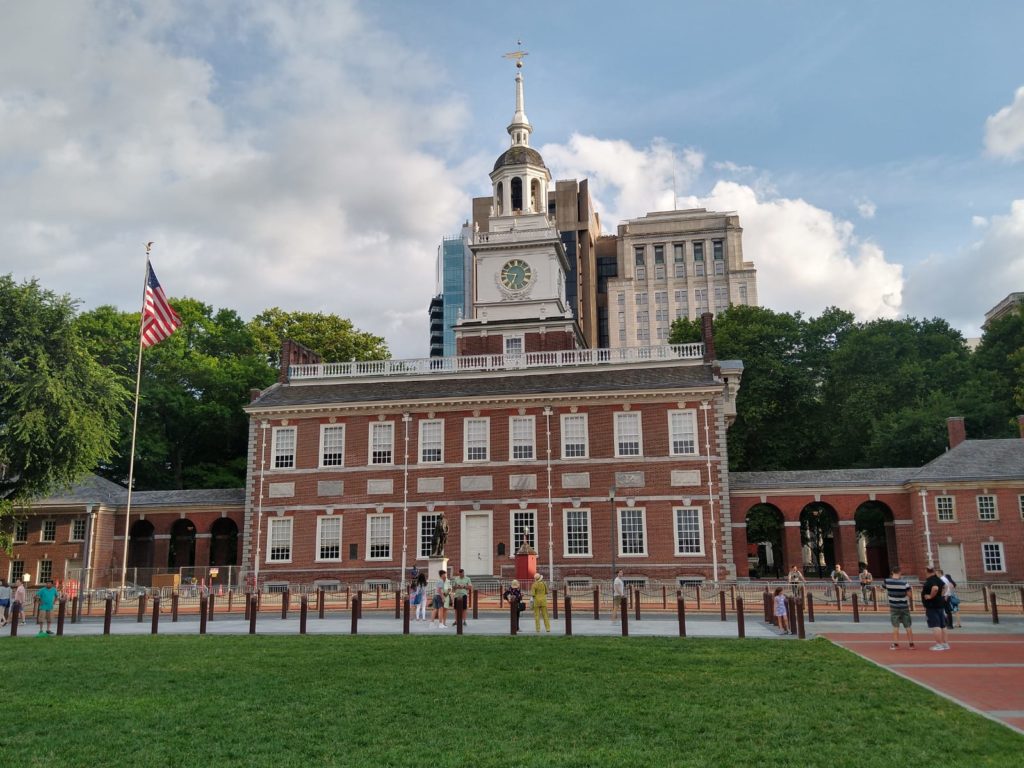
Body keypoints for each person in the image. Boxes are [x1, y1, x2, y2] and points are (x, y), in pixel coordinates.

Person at [883, 566, 915, 650]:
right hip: (904, 606)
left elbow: (882, 589)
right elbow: (910, 595)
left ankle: (896, 644)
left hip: (894, 606)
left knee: (895, 626)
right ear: (900, 572)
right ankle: (911, 644)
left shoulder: (887, 581)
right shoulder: (904, 582)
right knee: (907, 625)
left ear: (892, 572)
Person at [921, 566, 949, 651]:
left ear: (927, 571)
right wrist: (942, 595)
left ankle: (939, 644)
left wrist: (930, 596)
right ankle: (945, 643)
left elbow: (935, 588)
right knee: (942, 625)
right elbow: (946, 586)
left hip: (932, 605)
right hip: (939, 604)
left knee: (935, 625)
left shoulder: (931, 580)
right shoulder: (938, 579)